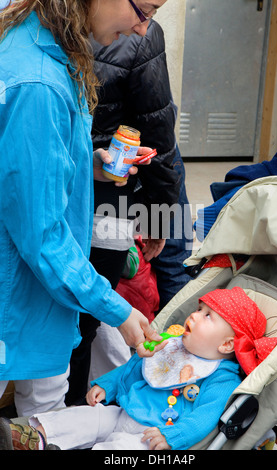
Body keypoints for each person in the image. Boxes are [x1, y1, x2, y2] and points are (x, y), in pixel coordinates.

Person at [0, 0, 168, 416]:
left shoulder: (47, 44)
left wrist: (91, 163)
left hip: (37, 294)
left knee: (45, 423)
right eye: (145, 10)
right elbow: (43, 238)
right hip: (20, 292)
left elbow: (25, 166)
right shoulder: (39, 82)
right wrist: (118, 310)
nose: (145, 30)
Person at [66, 18, 193, 405]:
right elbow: (158, 133)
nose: (142, 24)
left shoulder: (43, 21)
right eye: (149, 8)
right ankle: (69, 408)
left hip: (78, 187)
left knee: (71, 315)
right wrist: (160, 217)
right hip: (109, 198)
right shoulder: (142, 35)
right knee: (86, 321)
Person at [0, 287, 277, 450]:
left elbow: (204, 419)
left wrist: (171, 437)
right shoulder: (172, 345)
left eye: (208, 316)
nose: (194, 315)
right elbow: (133, 371)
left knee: (121, 449)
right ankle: (35, 436)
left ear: (227, 344)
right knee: (84, 417)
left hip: (153, 435)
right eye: (199, 308)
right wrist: (107, 384)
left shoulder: (221, 378)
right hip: (123, 411)